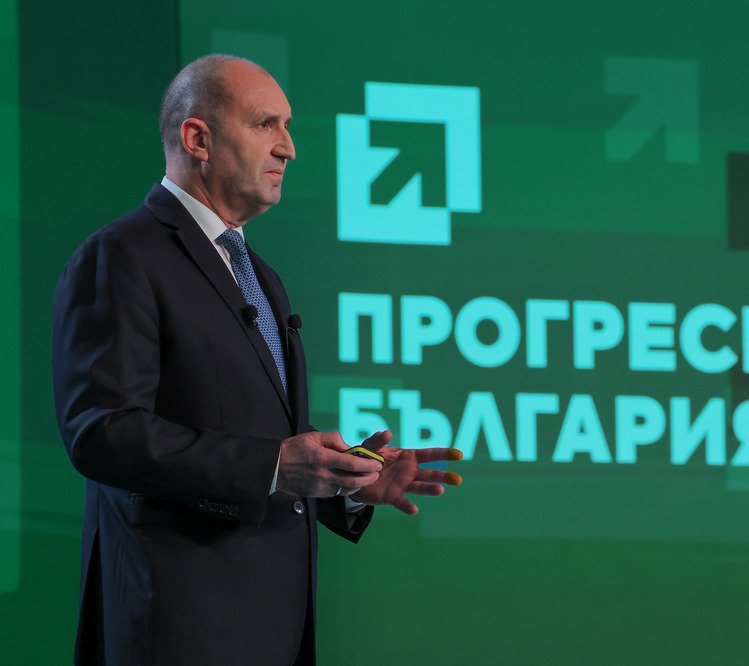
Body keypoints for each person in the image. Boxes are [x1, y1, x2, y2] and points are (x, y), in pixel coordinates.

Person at [51, 54, 461, 665]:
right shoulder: (122, 255)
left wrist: (347, 480)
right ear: (198, 139)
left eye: (287, 126)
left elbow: (259, 436)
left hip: (273, 629)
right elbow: (103, 433)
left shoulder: (260, 276)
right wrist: (273, 466)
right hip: (178, 626)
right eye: (266, 124)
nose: (288, 148)